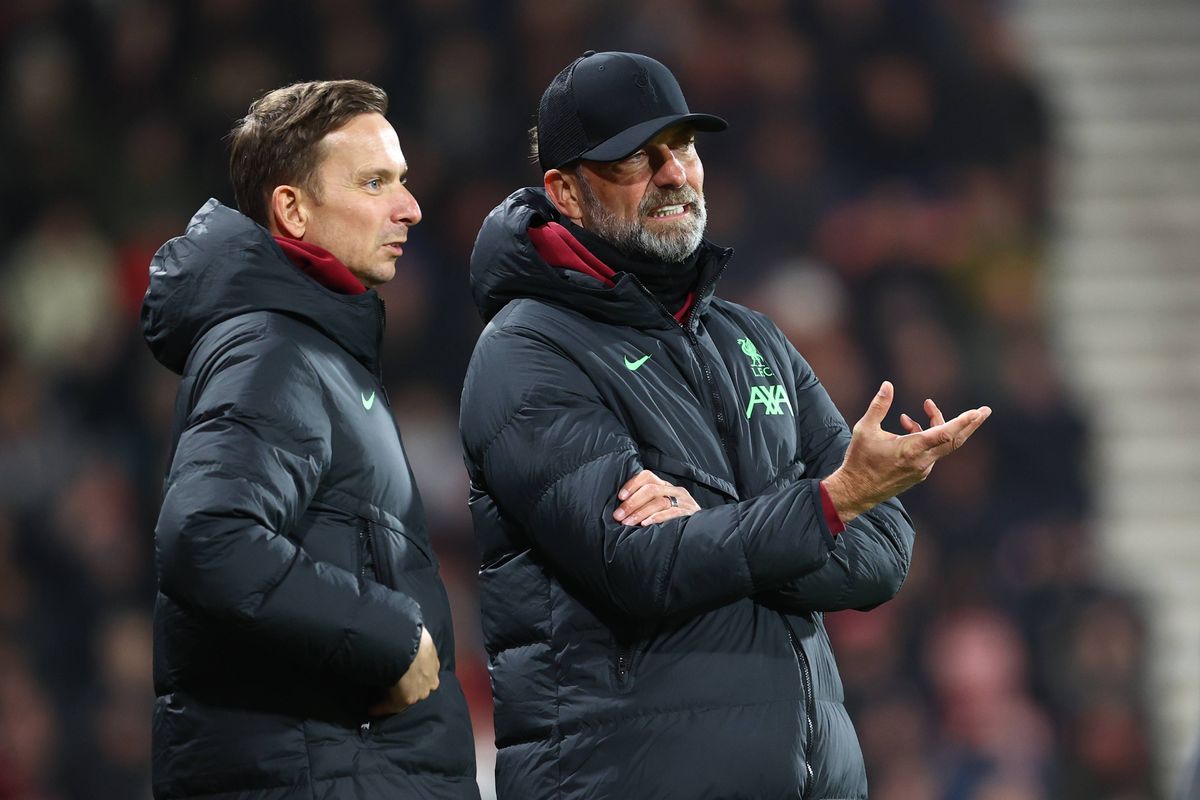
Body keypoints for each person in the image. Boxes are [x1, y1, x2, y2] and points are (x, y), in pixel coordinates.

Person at [459, 51, 991, 799]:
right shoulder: (527, 351)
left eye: (684, 147)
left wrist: (718, 524)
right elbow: (641, 566)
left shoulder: (755, 340)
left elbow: (882, 556)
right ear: (565, 192)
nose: (674, 173)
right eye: (637, 159)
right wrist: (825, 505)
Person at [142, 80, 479, 800]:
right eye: (375, 182)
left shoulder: (312, 349)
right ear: (292, 209)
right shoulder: (274, 349)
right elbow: (209, 535)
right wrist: (393, 637)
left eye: (404, 181)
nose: (409, 207)